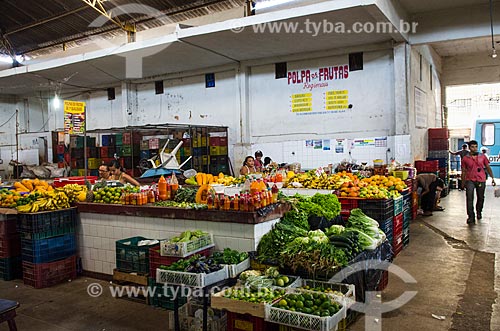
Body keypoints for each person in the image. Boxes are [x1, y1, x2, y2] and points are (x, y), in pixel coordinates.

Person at [461, 140, 496, 224]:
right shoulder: (465, 158)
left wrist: (492, 178)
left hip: (481, 179)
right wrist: (462, 183)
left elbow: (487, 167)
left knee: (481, 197)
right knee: (469, 198)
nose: (475, 148)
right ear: (469, 148)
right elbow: (464, 171)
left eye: (476, 146)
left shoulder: (482, 156)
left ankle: (479, 211)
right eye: (472, 147)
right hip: (470, 180)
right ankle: (470, 216)